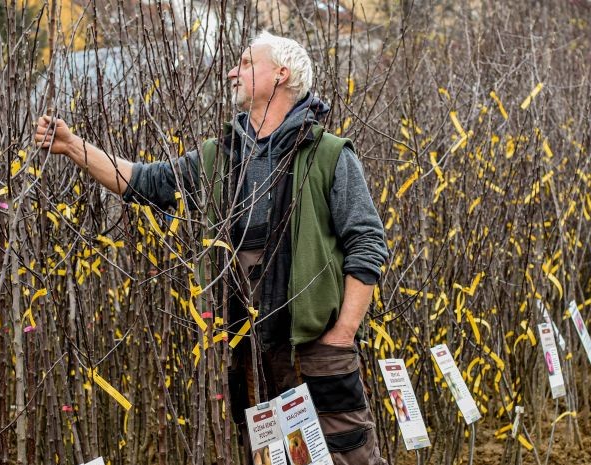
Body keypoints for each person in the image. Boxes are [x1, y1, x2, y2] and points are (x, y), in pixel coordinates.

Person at [34, 32, 389, 464]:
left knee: (347, 455)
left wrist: (342, 334)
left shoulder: (330, 155)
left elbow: (367, 242)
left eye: (246, 62)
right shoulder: (216, 157)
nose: (232, 71)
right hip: (249, 352)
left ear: (281, 74)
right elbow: (144, 182)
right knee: (270, 459)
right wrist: (73, 146)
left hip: (317, 348)